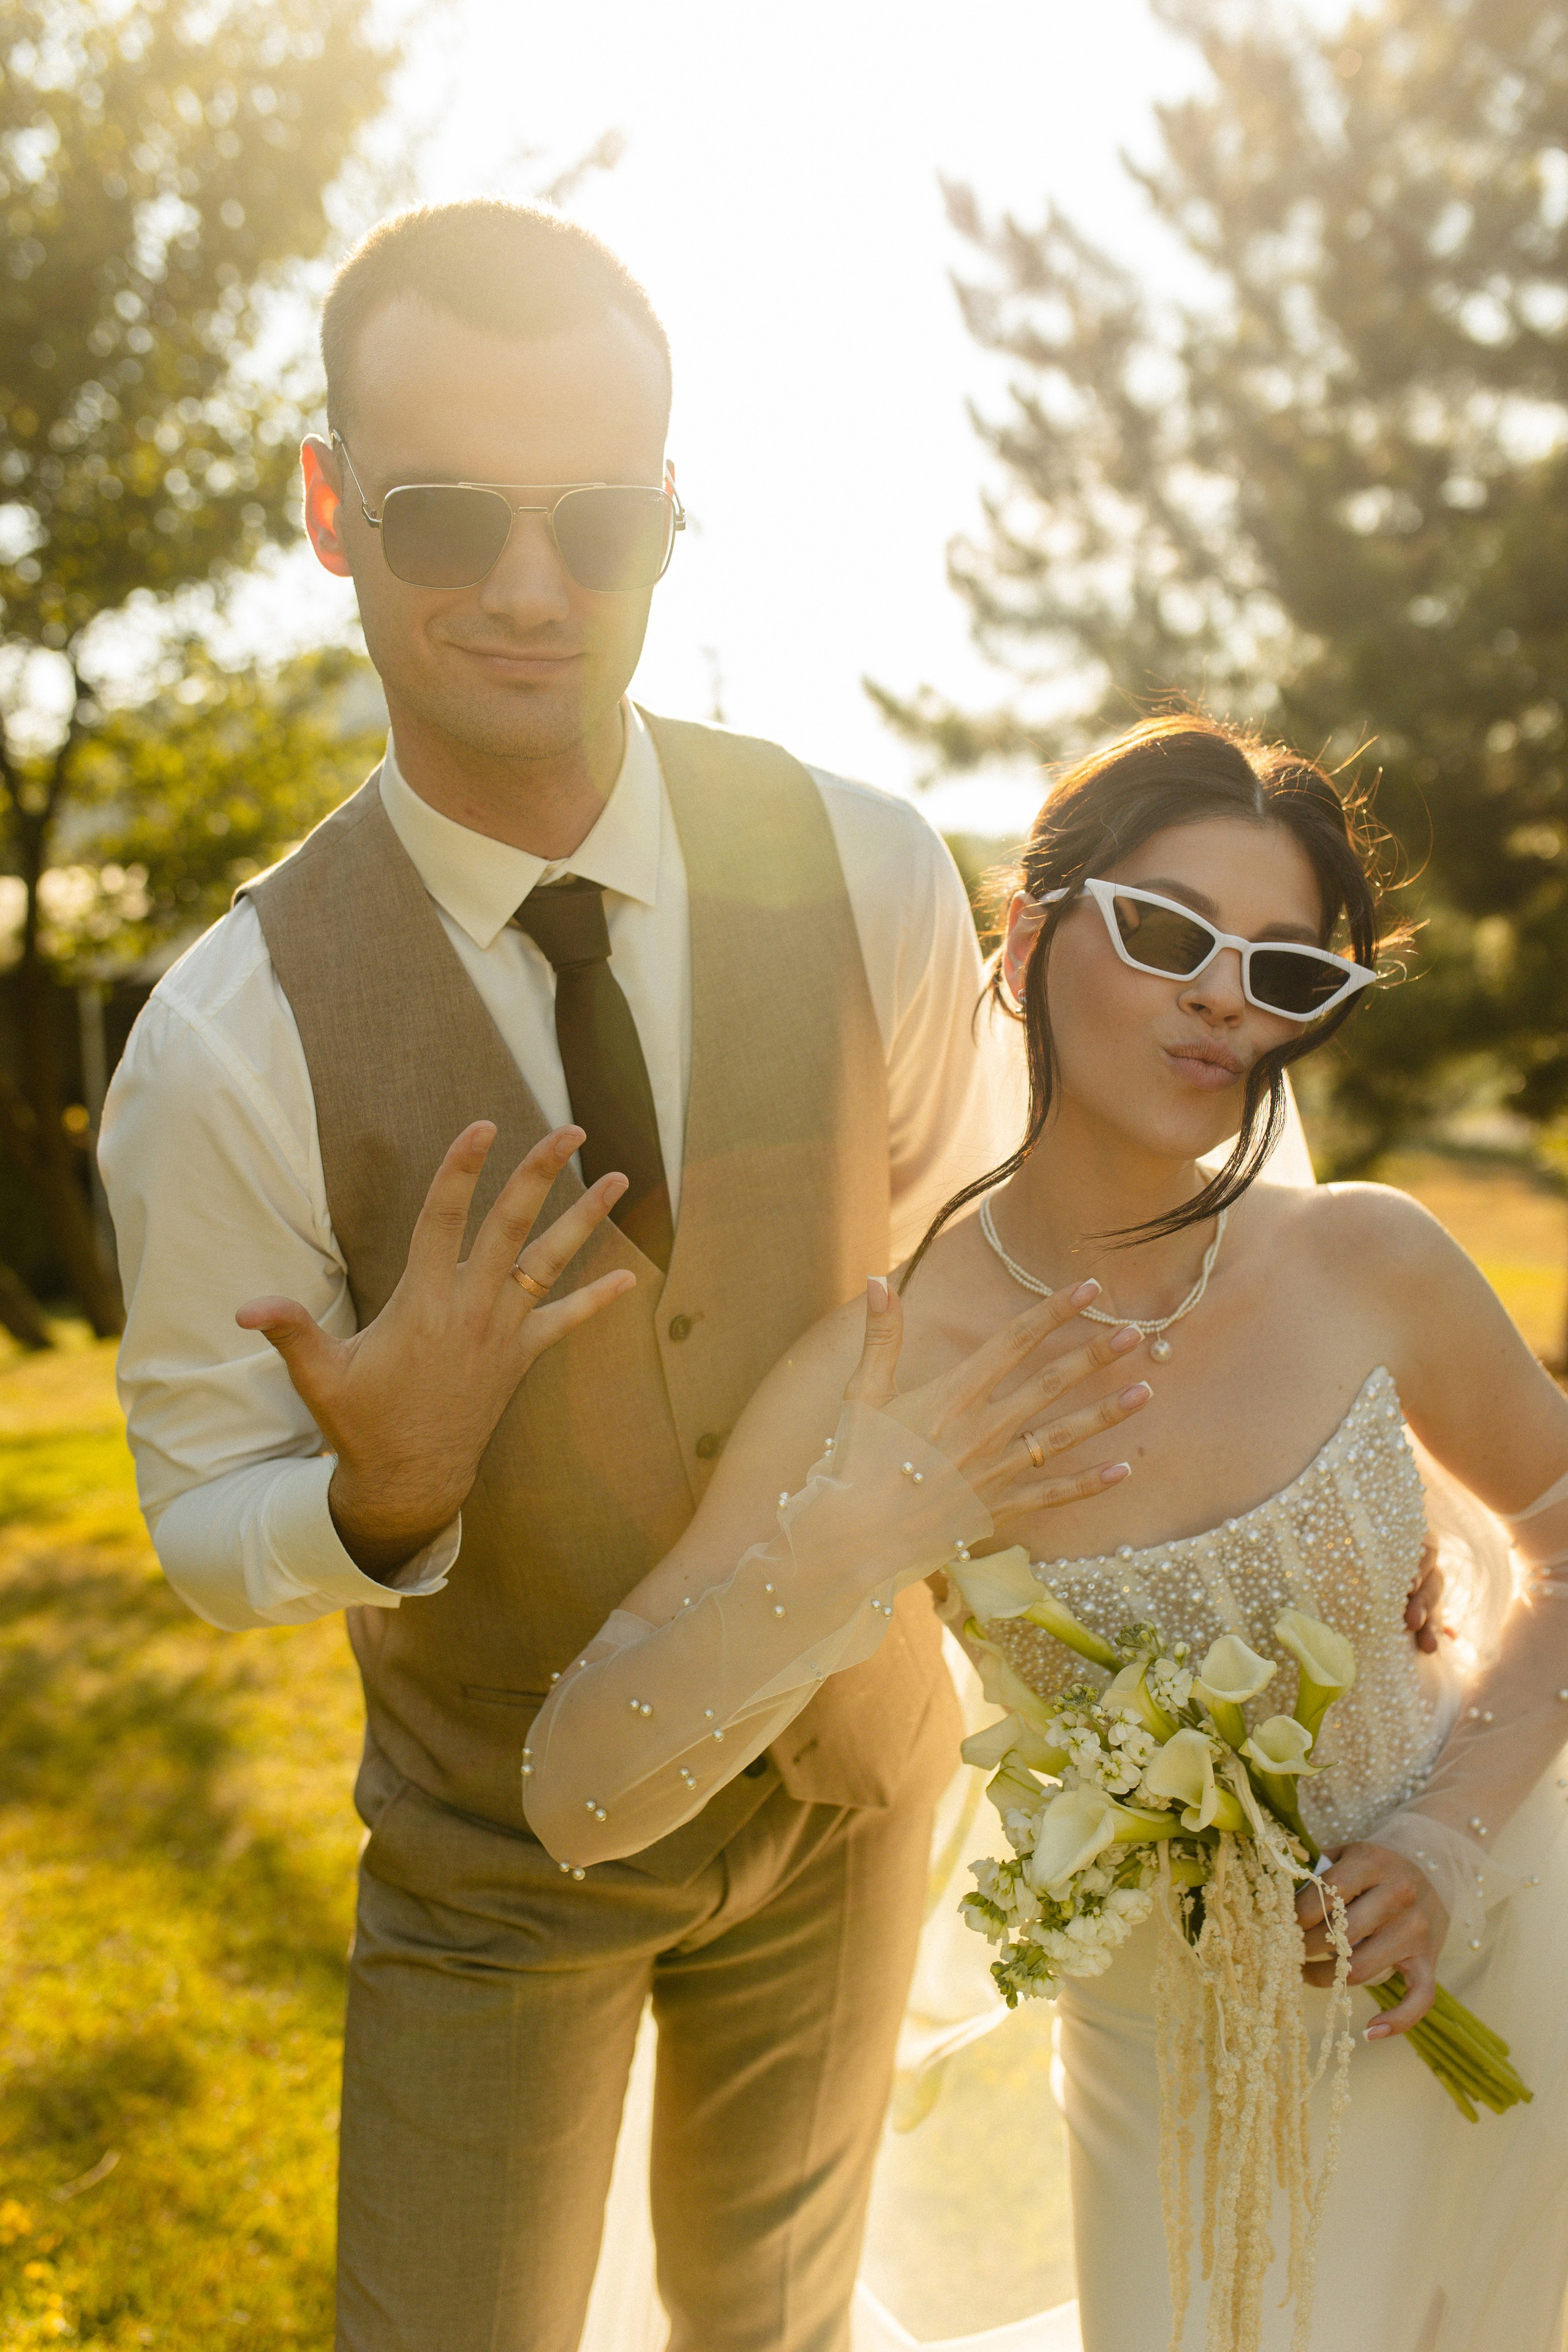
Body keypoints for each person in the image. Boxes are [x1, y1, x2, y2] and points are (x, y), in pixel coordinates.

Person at [97, 196, 1051, 2352]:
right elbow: (195, 1520)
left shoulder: (872, 866)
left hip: (847, 1788)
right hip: (495, 1867)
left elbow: (974, 1269)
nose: (530, 587)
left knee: (777, 2326)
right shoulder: (228, 1039)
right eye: (446, 515)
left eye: (600, 522)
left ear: (666, 521)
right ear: (331, 510)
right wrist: (383, 1491)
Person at [514, 715, 1568, 2352]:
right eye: (1167, 934)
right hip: (1173, 2097)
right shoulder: (883, 1367)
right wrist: (844, 1551)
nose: (1226, 998)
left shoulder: (1374, 1259)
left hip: (1503, 1968)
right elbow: (578, 1794)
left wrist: (1443, 1843)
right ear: (1027, 937)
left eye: (1285, 973)